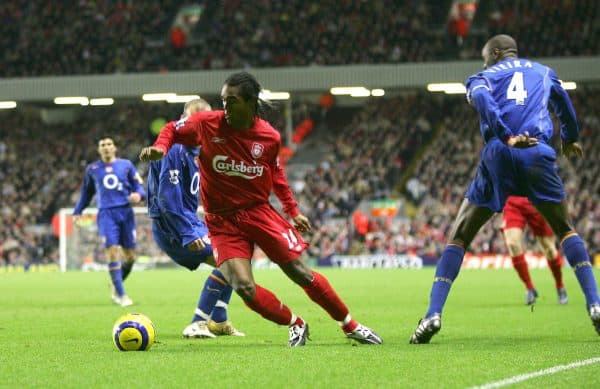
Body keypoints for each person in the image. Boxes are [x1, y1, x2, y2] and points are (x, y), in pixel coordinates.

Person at [140, 71, 382, 346]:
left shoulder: (269, 137)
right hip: (222, 221)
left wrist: (293, 211)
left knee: (300, 273)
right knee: (243, 286)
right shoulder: (208, 123)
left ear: (250, 102)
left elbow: (276, 173)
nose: (225, 107)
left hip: (259, 212)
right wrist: (161, 147)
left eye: (231, 101)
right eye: (223, 101)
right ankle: (295, 323)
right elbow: (172, 128)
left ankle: (350, 325)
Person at [409, 34, 600, 344]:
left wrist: (506, 134)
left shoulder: (482, 76)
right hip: (538, 152)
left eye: (486, 57)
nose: (484, 62)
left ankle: (432, 313)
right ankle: (595, 305)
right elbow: (563, 104)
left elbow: (483, 100)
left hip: (500, 152)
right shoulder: (544, 72)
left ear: (496, 53)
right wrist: (570, 136)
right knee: (565, 229)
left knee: (459, 234)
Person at [147, 98, 243, 338]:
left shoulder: (202, 150)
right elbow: (167, 199)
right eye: (194, 118)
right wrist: (187, 232)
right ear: (183, 120)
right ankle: (197, 323)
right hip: (172, 227)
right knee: (231, 260)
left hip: (189, 221)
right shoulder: (176, 148)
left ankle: (219, 320)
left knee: (236, 255)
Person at [73, 136, 146, 307]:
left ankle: (116, 285)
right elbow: (86, 193)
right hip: (106, 214)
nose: (106, 147)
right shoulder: (93, 169)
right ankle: (121, 295)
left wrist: (139, 195)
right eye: (102, 145)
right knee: (112, 251)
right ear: (99, 150)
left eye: (109, 144)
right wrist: (77, 211)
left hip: (126, 212)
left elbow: (139, 187)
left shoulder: (126, 165)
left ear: (115, 148)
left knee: (130, 257)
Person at [502, 195, 567, 305]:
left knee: (549, 249)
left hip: (537, 198)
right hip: (513, 200)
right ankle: (529, 288)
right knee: (512, 244)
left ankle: (560, 286)